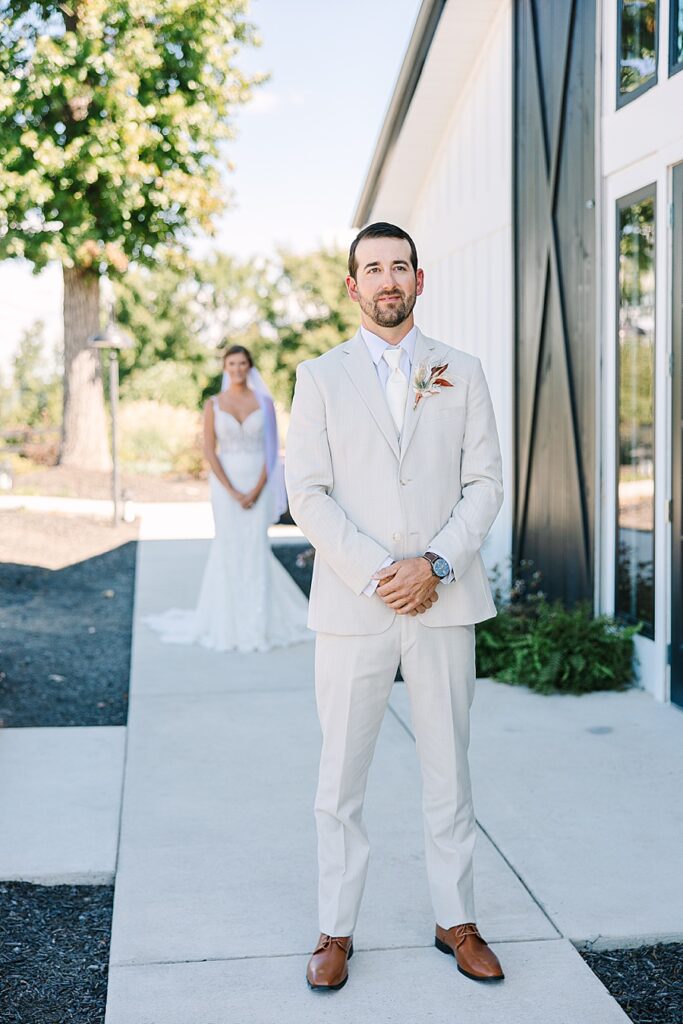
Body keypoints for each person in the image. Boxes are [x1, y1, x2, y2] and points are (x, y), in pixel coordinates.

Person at [285, 223, 505, 990]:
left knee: (449, 768)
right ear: (351, 286)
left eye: (398, 267)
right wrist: (385, 571)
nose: (387, 279)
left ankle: (456, 920)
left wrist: (435, 564)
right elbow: (305, 492)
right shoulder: (317, 377)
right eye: (371, 268)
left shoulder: (462, 371)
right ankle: (335, 929)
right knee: (340, 777)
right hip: (355, 604)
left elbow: (484, 483)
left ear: (419, 279)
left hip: (442, 600)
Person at [145, 345, 311, 653]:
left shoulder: (264, 402)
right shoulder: (214, 404)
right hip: (225, 484)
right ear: (225, 367)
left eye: (242, 363)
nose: (237, 368)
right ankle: (227, 620)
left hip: (258, 482)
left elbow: (272, 450)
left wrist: (257, 488)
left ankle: (259, 621)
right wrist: (233, 490)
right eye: (231, 363)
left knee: (254, 546)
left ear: (249, 367)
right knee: (228, 546)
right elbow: (209, 450)